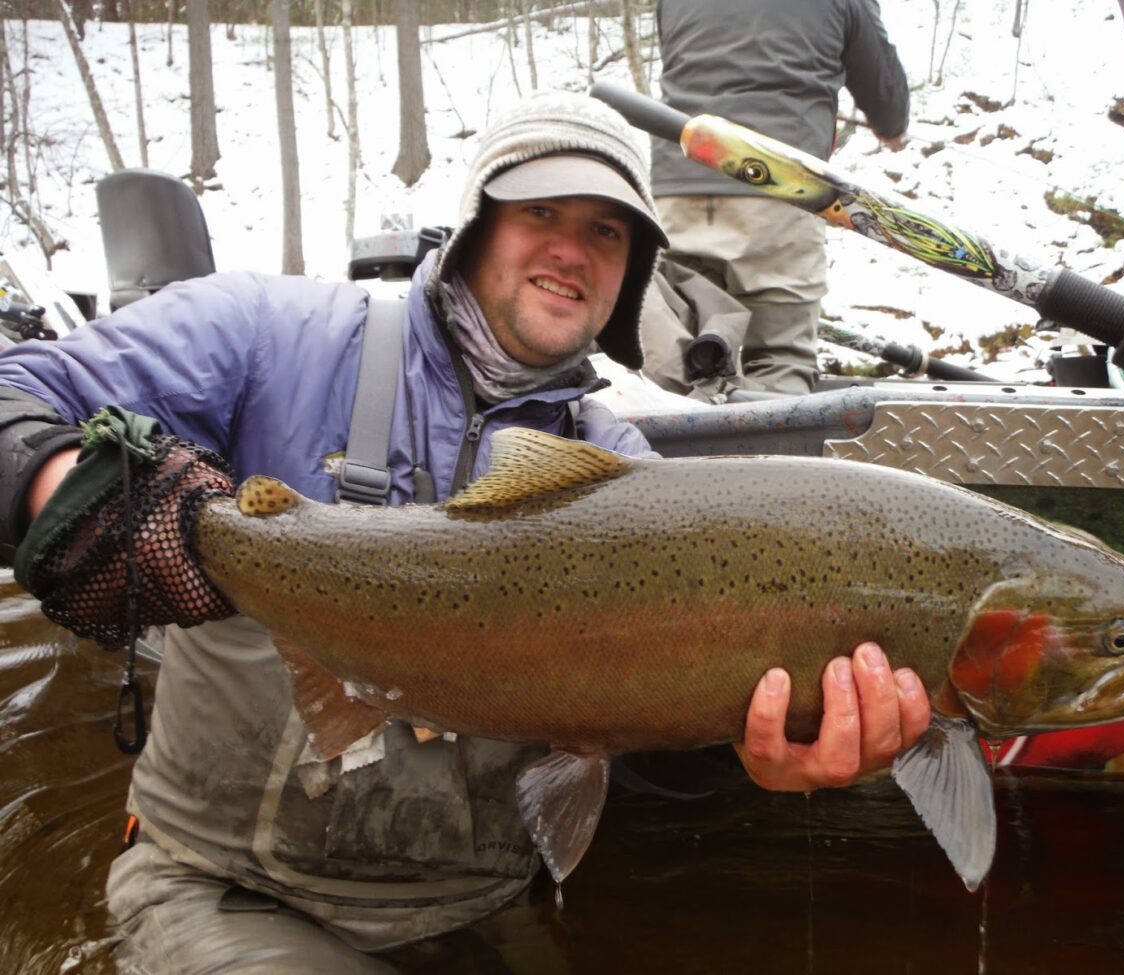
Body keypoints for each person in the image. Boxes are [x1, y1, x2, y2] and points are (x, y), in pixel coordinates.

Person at [0, 91, 930, 972]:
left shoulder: (626, 478)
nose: (573, 251)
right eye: (541, 214)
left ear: (631, 272)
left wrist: (762, 754)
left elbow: (641, 741)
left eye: (606, 231)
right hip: (226, 891)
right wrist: (81, 495)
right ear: (478, 224)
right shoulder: (264, 338)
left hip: (477, 908)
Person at [642, 0, 910, 397]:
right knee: (779, 361)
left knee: (674, 357)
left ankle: (661, 454)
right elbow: (886, 104)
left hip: (675, 192)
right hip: (777, 190)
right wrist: (893, 130)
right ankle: (771, 457)